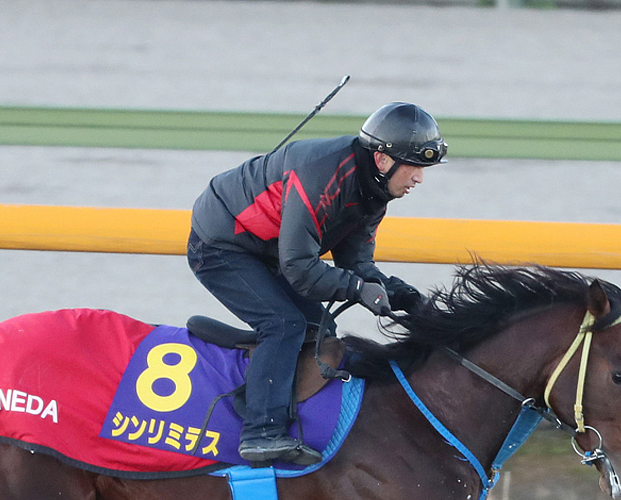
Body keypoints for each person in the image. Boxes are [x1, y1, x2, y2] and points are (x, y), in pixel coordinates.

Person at [188, 102, 447, 466]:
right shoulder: (322, 177)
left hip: (266, 248)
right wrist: (359, 290)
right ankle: (261, 434)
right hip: (220, 243)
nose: (419, 179)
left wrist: (395, 292)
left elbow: (355, 264)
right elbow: (299, 269)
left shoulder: (374, 194)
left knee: (318, 328)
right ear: (383, 160)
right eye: (415, 167)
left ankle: (273, 397)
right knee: (283, 323)